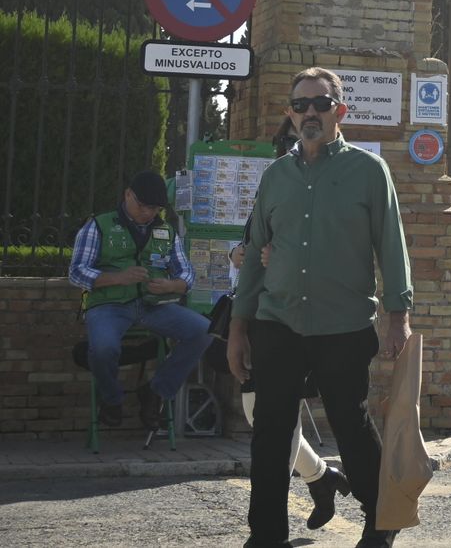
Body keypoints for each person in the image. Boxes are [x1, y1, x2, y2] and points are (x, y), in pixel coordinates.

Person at [229, 67, 413, 548]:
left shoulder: (369, 172)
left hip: (343, 324)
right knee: (270, 430)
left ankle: (381, 520)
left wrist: (399, 316)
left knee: (351, 425)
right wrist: (237, 327)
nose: (310, 112)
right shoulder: (275, 178)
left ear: (340, 111)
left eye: (321, 103)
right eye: (301, 104)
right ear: (289, 113)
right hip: (278, 322)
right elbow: (254, 256)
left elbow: (391, 247)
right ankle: (265, 535)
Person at [222, 228, 350, 530]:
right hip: (258, 312)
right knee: (257, 411)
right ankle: (321, 477)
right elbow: (251, 243)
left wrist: (282, 259)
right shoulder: (269, 191)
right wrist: (237, 254)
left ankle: (269, 519)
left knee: (278, 413)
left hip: (296, 315)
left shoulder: (314, 191)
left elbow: (329, 249)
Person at [69, 170, 213, 430]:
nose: (148, 213)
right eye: (143, 206)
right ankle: (112, 399)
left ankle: (156, 392)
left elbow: (186, 274)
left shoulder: (166, 231)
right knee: (103, 348)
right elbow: (77, 271)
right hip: (109, 305)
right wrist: (117, 278)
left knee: (203, 331)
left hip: (153, 305)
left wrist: (172, 285)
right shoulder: (99, 225)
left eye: (155, 208)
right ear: (127, 195)